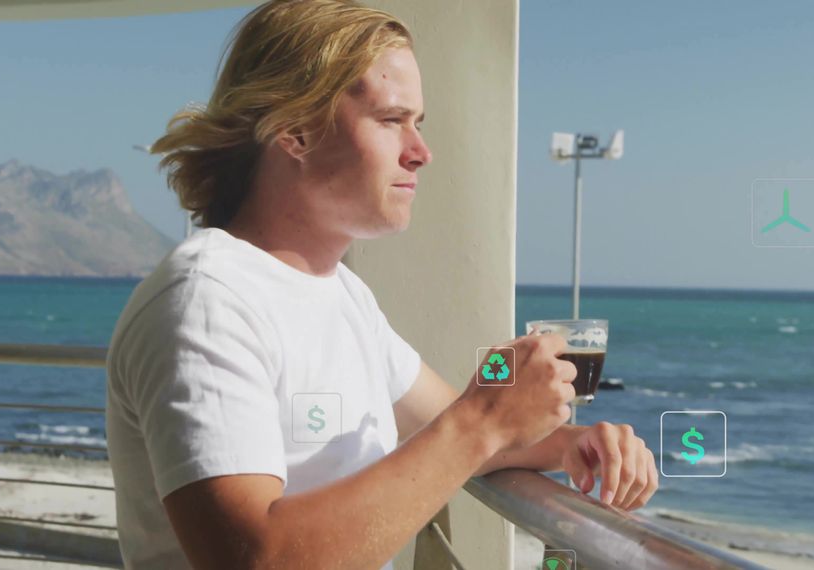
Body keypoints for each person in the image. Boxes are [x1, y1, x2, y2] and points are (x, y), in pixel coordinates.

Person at [104, 1, 658, 568]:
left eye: (418, 124)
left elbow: (446, 426)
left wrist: (575, 444)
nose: (420, 153)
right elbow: (256, 558)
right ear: (294, 129)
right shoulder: (207, 300)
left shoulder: (344, 296)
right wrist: (483, 421)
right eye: (392, 120)